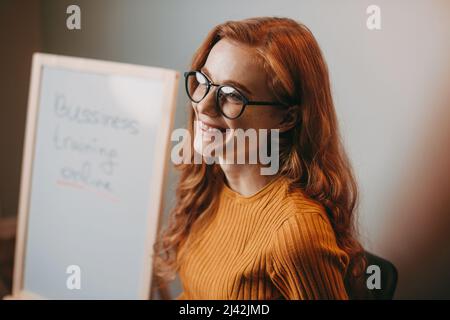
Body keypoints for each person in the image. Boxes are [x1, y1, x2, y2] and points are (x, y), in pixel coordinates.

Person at [154, 17, 365, 300]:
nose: (202, 105)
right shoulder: (212, 184)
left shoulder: (296, 231)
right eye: (204, 81)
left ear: (287, 117)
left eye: (232, 95)